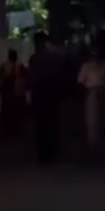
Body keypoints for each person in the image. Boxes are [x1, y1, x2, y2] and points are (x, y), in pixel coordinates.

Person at [27, 33, 64, 166]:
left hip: (39, 96)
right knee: (51, 125)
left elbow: (31, 79)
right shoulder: (54, 58)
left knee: (40, 126)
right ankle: (51, 153)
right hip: (51, 95)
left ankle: (43, 154)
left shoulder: (34, 59)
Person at [77, 47, 105, 156]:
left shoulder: (104, 66)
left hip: (102, 93)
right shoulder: (86, 67)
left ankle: (101, 145)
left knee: (102, 119)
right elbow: (80, 82)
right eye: (93, 54)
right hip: (92, 92)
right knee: (92, 120)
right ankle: (93, 145)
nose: (95, 57)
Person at [0, 50, 27, 138]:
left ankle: (8, 130)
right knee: (15, 112)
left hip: (9, 92)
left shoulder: (5, 65)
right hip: (14, 92)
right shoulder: (19, 65)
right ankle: (15, 130)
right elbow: (26, 77)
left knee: (9, 112)